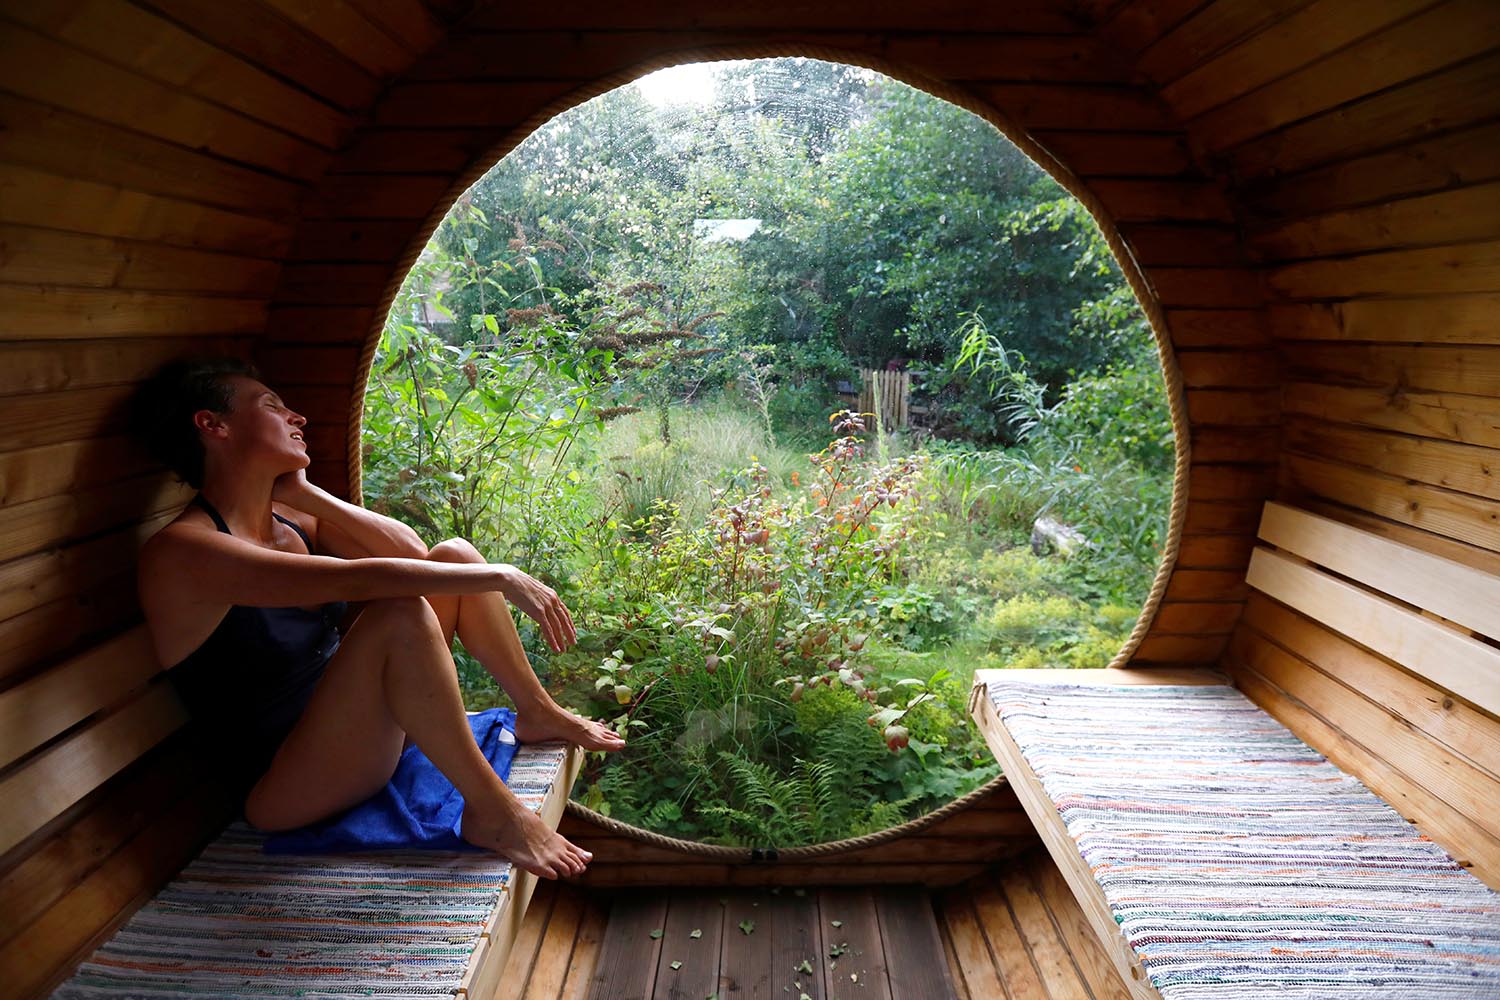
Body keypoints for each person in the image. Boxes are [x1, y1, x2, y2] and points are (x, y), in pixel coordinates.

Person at [132, 357, 625, 879]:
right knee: (399, 614)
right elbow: (356, 581)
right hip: (286, 783)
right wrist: (502, 576)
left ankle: (537, 710)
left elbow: (413, 553)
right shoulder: (184, 552)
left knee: (454, 554)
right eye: (273, 406)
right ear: (214, 425)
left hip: (360, 731)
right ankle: (494, 811)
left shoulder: (290, 518)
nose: (297, 417)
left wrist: (306, 494)